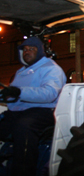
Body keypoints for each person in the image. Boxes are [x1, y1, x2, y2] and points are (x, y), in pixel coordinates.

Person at [0, 36, 66, 176]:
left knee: (24, 126)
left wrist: (19, 92)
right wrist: (6, 94)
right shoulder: (21, 71)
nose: (27, 52)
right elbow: (15, 96)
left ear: (40, 52)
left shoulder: (51, 68)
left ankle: (23, 171)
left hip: (42, 111)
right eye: (24, 49)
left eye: (31, 49)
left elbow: (50, 93)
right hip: (18, 112)